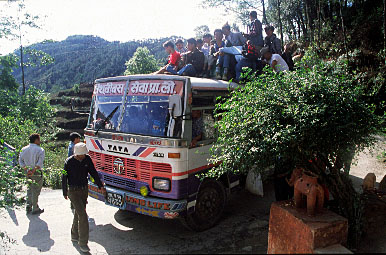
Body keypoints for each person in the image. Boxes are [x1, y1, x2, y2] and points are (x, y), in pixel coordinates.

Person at [62, 143, 103, 253]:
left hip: (84, 190)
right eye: (81, 155)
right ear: (76, 154)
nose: (83, 156)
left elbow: (93, 172)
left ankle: (74, 234)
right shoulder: (68, 162)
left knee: (78, 213)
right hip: (73, 191)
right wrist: (64, 191)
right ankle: (83, 243)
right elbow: (64, 176)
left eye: (84, 154)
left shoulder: (87, 159)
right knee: (83, 216)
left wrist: (100, 185)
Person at [19, 133, 45, 215]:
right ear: (36, 140)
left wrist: (27, 169)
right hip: (36, 172)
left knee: (30, 188)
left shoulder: (23, 149)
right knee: (36, 190)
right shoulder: (40, 150)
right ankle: (35, 207)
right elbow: (39, 162)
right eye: (39, 139)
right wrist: (34, 170)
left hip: (27, 172)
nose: (40, 141)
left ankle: (28, 206)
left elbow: (20, 161)